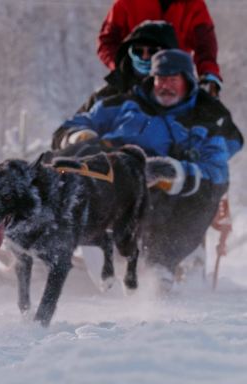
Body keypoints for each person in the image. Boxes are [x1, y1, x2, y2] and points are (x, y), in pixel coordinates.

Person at [53, 49, 243, 290]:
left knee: (207, 188)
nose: (165, 86)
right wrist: (82, 137)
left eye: (173, 79)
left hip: (163, 198)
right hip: (111, 181)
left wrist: (174, 173)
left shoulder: (203, 118)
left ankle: (159, 267)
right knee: (65, 161)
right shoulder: (124, 104)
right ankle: (41, 243)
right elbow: (78, 123)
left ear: (188, 81)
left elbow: (216, 169)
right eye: (160, 79)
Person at [98, 0, 222, 97]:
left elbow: (206, 46)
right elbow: (107, 41)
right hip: (133, 82)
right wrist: (122, 68)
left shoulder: (193, 5)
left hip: (176, 85)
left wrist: (208, 75)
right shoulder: (127, 3)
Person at [73, 20, 179, 117]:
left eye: (153, 51)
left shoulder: (187, 97)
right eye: (138, 51)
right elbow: (66, 130)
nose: (145, 56)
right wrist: (80, 135)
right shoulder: (107, 95)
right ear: (129, 52)